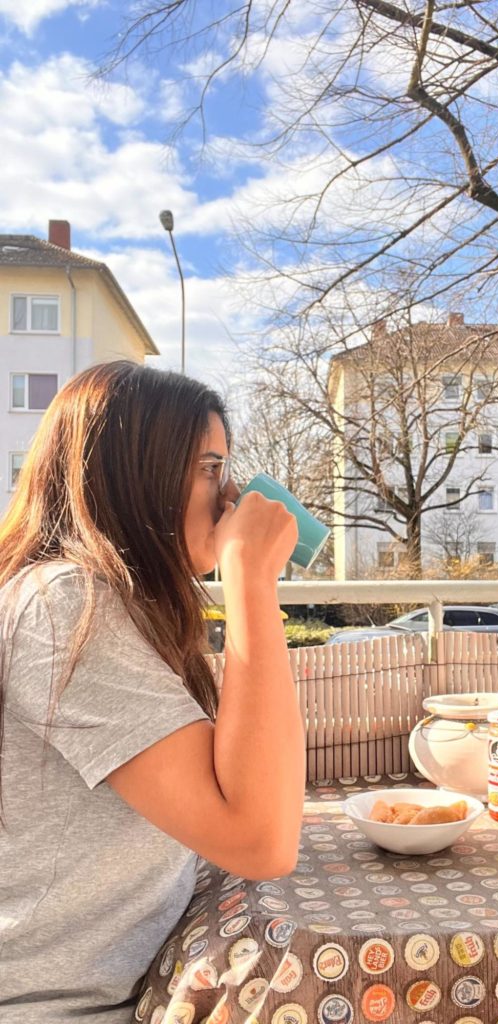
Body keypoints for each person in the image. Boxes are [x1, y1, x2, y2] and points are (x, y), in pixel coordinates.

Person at [0, 361, 306, 1022]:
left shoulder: (106, 602)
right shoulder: (65, 606)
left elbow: (237, 790)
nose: (229, 495)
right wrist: (252, 580)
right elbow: (263, 839)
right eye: (208, 468)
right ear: (132, 472)